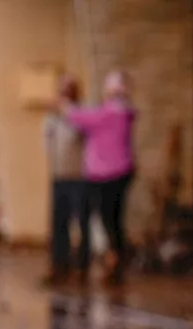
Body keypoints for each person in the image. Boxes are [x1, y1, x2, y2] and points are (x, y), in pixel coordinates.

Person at [61, 70, 136, 285]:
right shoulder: (122, 113)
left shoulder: (111, 114)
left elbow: (80, 116)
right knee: (114, 219)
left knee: (107, 219)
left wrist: (66, 105)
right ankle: (115, 256)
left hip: (106, 175)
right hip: (118, 172)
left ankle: (114, 258)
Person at [44, 75, 92, 285]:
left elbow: (83, 136)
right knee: (58, 222)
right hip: (59, 176)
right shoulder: (52, 119)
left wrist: (69, 113)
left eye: (69, 91)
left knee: (81, 222)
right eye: (62, 92)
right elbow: (47, 142)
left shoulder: (83, 115)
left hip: (80, 177)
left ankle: (81, 265)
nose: (64, 96)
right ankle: (59, 264)